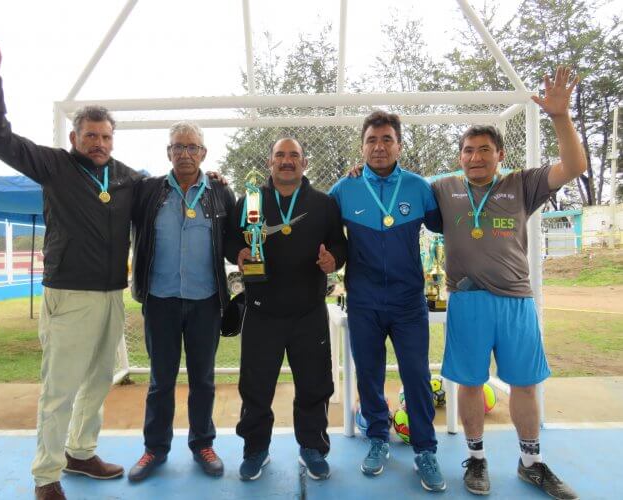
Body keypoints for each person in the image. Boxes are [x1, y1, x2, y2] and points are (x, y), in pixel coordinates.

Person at [0, 40, 140, 500]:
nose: (99, 143)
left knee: (101, 379)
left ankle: (81, 451)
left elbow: (165, 193)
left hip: (111, 294)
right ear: (74, 138)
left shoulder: (126, 177)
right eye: (91, 136)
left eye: (105, 137)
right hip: (68, 293)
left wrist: (213, 180)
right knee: (59, 389)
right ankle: (47, 475)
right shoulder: (54, 166)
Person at [432, 66, 585, 499]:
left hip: (516, 301)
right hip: (468, 301)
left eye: (484, 150)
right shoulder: (443, 188)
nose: (475, 157)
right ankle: (477, 458)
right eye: (468, 150)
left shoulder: (523, 184)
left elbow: (575, 165)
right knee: (470, 383)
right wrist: (357, 172)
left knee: (523, 383)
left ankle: (531, 462)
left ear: (500, 155)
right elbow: (397, 191)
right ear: (459, 156)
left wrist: (560, 116)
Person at [329, 110, 446, 492]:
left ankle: (425, 449)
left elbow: (445, 223)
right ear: (362, 146)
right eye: (371, 141)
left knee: (417, 375)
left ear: (398, 144)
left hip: (409, 301)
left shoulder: (418, 186)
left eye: (386, 140)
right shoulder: (344, 188)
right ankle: (378, 438)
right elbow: (323, 228)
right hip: (363, 301)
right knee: (369, 375)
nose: (379, 147)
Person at [225, 138, 347, 482]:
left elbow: (339, 242)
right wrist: (239, 253)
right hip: (261, 310)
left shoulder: (323, 204)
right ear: (270, 162)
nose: (287, 160)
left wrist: (332, 259)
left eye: (294, 155)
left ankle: (312, 448)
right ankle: (255, 450)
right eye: (280, 155)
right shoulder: (250, 201)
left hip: (308, 311)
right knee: (255, 386)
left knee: (314, 385)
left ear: (304, 163)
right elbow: (228, 239)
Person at [128, 122, 235, 481]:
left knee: (203, 379)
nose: (185, 154)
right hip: (160, 300)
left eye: (192, 147)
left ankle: (203, 444)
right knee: (161, 380)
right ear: (168, 152)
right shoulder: (147, 191)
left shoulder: (221, 193)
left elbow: (235, 243)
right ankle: (154, 449)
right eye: (178, 147)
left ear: (204, 153)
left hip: (206, 301)